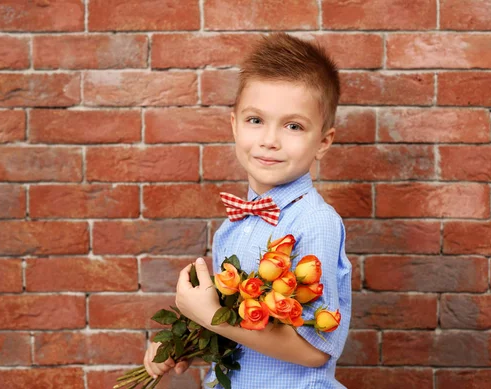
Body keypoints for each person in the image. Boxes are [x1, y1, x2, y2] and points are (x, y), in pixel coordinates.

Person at [143, 32, 352, 389]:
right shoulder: (234, 225)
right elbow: (242, 332)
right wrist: (185, 343)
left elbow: (315, 348)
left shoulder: (315, 222)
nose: (270, 139)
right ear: (234, 124)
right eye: (256, 120)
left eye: (293, 126)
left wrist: (211, 316)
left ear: (323, 142)